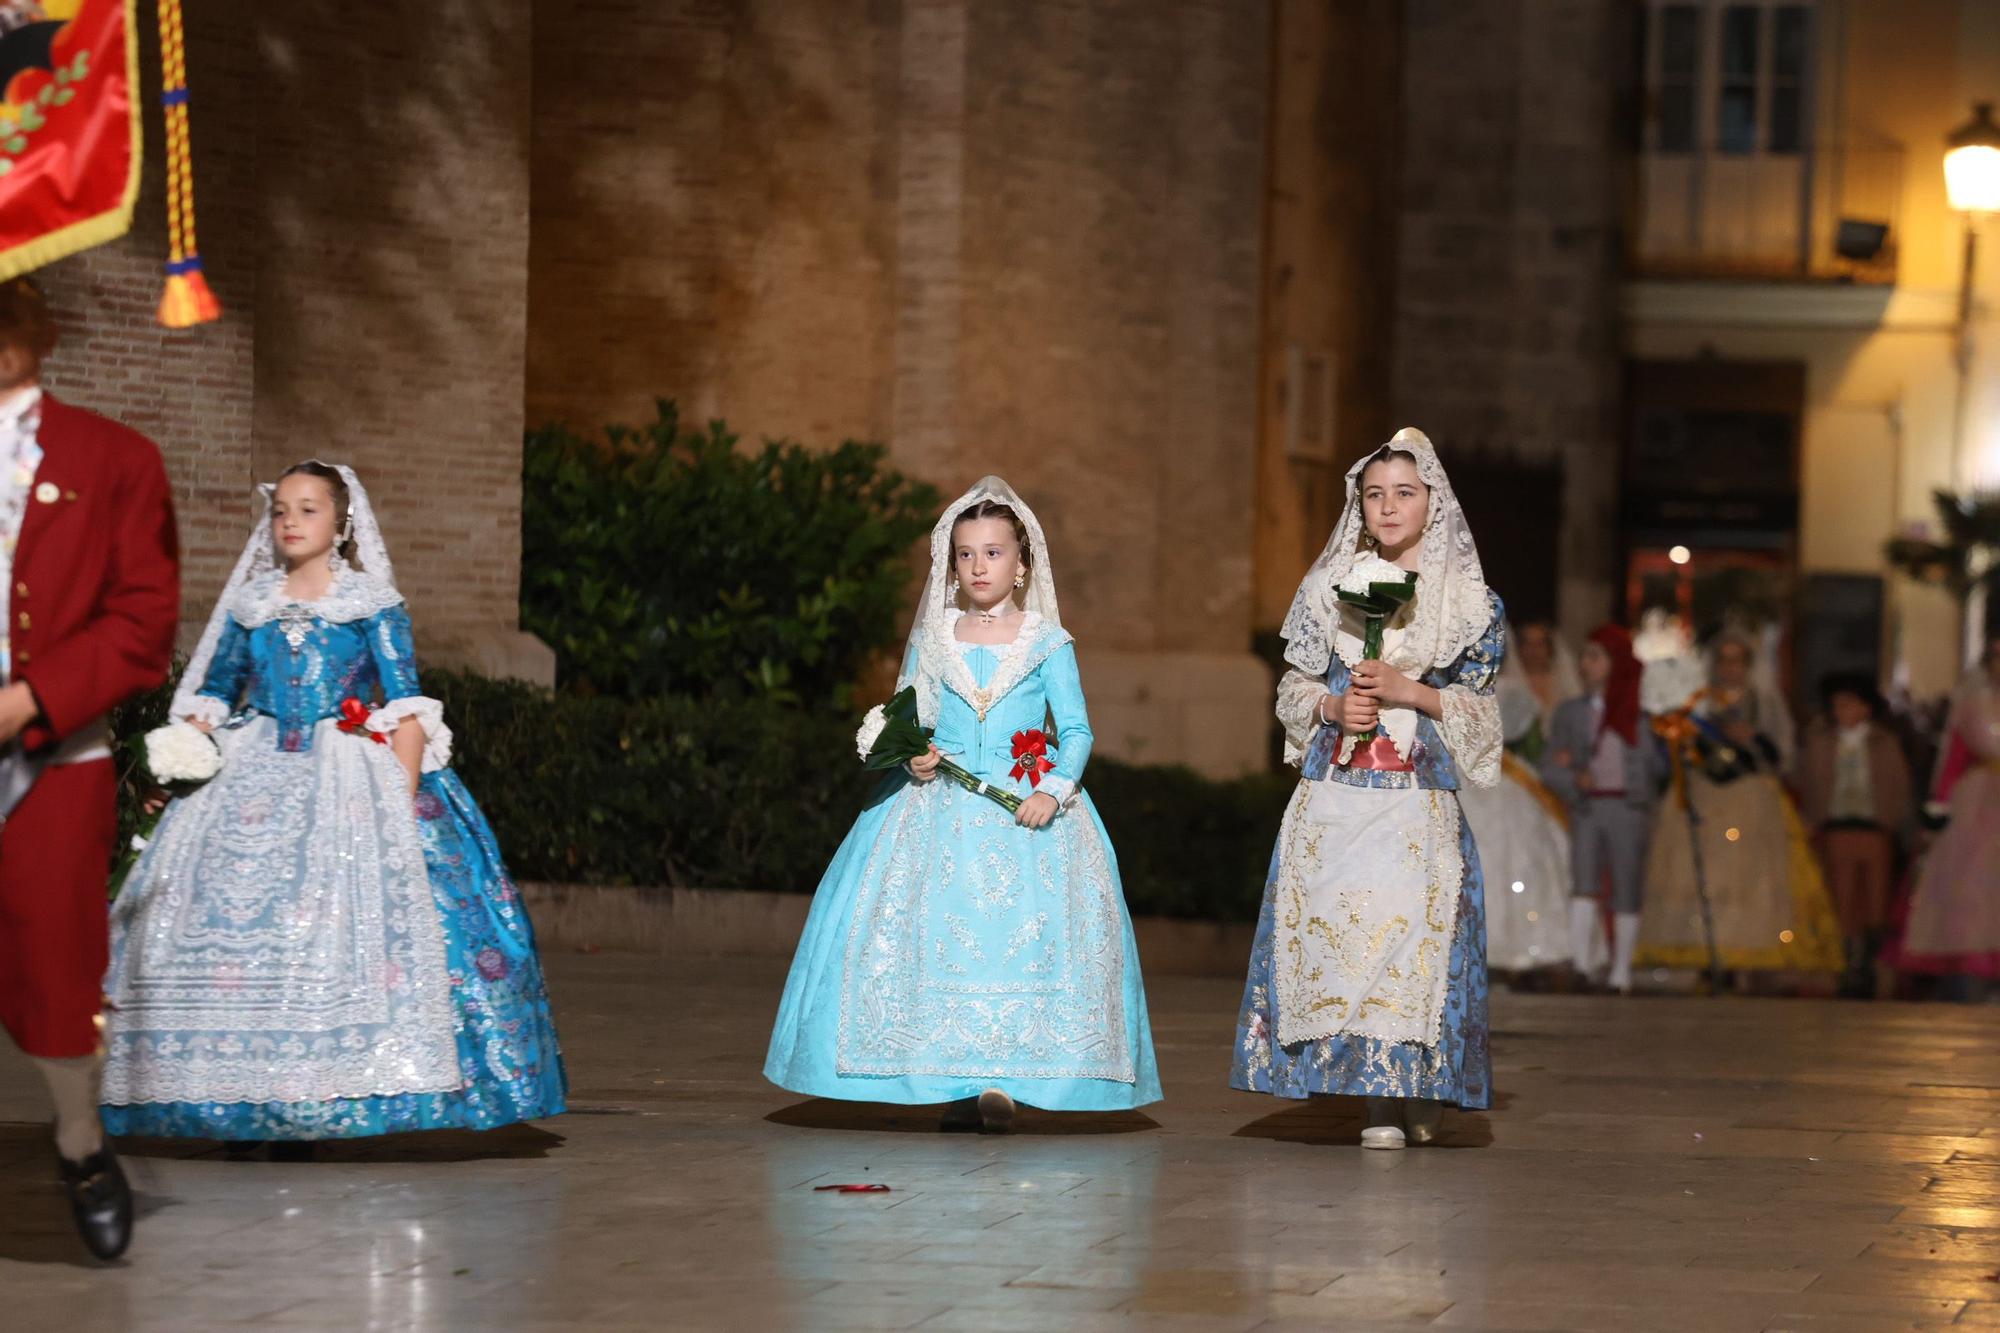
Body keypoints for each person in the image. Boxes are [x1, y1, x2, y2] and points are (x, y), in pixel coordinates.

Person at [100, 462, 566, 1147]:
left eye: (308, 508)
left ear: (340, 523)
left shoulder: (370, 603)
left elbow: (405, 704)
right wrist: (181, 757)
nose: (290, 520)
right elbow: (215, 693)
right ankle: (227, 1097)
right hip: (249, 769)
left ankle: (332, 1091)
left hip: (350, 771)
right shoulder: (252, 605)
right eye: (282, 509)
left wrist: (401, 805)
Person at [764, 477, 1160, 1131]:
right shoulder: (935, 638)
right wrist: (912, 751)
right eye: (967, 553)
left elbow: (1079, 730)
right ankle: (949, 1081)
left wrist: (1051, 789)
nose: (980, 565)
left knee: (1017, 940)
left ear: (1022, 562)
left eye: (994, 552)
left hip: (1024, 806)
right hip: (936, 805)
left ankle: (1005, 1078)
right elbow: (908, 714)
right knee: (928, 934)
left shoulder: (1046, 643)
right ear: (952, 563)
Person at [1230, 427, 1503, 1151]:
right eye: (1374, 494)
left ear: (1431, 503)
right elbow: (1295, 684)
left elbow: (1483, 711)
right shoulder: (1328, 589)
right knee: (1342, 933)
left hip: (1416, 800)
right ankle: (1373, 1093)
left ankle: (1416, 1083)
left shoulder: (1468, 602)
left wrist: (1414, 692)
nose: (1388, 506)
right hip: (1337, 792)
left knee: (1412, 938)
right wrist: (1329, 705)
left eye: (1403, 493)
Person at [0, 277, 178, 1260]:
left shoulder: (117, 459)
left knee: (56, 972)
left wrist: (30, 700)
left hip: (51, 761)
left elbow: (144, 622)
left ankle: (78, 1141)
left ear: (36, 335)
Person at [1636, 630, 1842, 979]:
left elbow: (1782, 756)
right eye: (1724, 660)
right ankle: (1701, 953)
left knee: (1750, 878)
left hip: (1749, 797)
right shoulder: (1698, 703)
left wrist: (1752, 737)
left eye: (1737, 660)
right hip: (1705, 793)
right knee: (1700, 876)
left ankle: (1745, 956)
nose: (1731, 668)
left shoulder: (1763, 704)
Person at [1543, 626, 1666, 994]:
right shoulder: (1570, 713)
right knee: (1584, 882)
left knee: (1627, 884)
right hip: (1588, 808)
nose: (1587, 664)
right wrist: (1570, 777)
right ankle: (1582, 966)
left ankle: (1621, 972)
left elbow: (1657, 767)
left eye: (1596, 657)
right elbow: (1551, 763)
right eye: (1586, 656)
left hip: (1628, 807)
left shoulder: (1640, 716)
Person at [1461, 618, 1575, 977]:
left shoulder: (1511, 691)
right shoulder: (1455, 688)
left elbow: (1526, 742)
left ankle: (1515, 948)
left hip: (1505, 784)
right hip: (1468, 783)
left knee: (1514, 859)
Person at [1893, 634, 2000, 986]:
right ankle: (1971, 966)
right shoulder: (1972, 705)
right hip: (1980, 800)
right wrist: (1938, 810)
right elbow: (1953, 761)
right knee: (1973, 879)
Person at [1797, 673, 1911, 997]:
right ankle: (1846, 961)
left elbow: (1898, 785)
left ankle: (1869, 960)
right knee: (1840, 894)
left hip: (1874, 827)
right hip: (1835, 827)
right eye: (1836, 705)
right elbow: (1809, 780)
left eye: (1848, 704)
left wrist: (1894, 820)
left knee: (1875, 896)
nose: (1841, 711)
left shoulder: (1883, 743)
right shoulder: (1821, 741)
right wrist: (1813, 817)